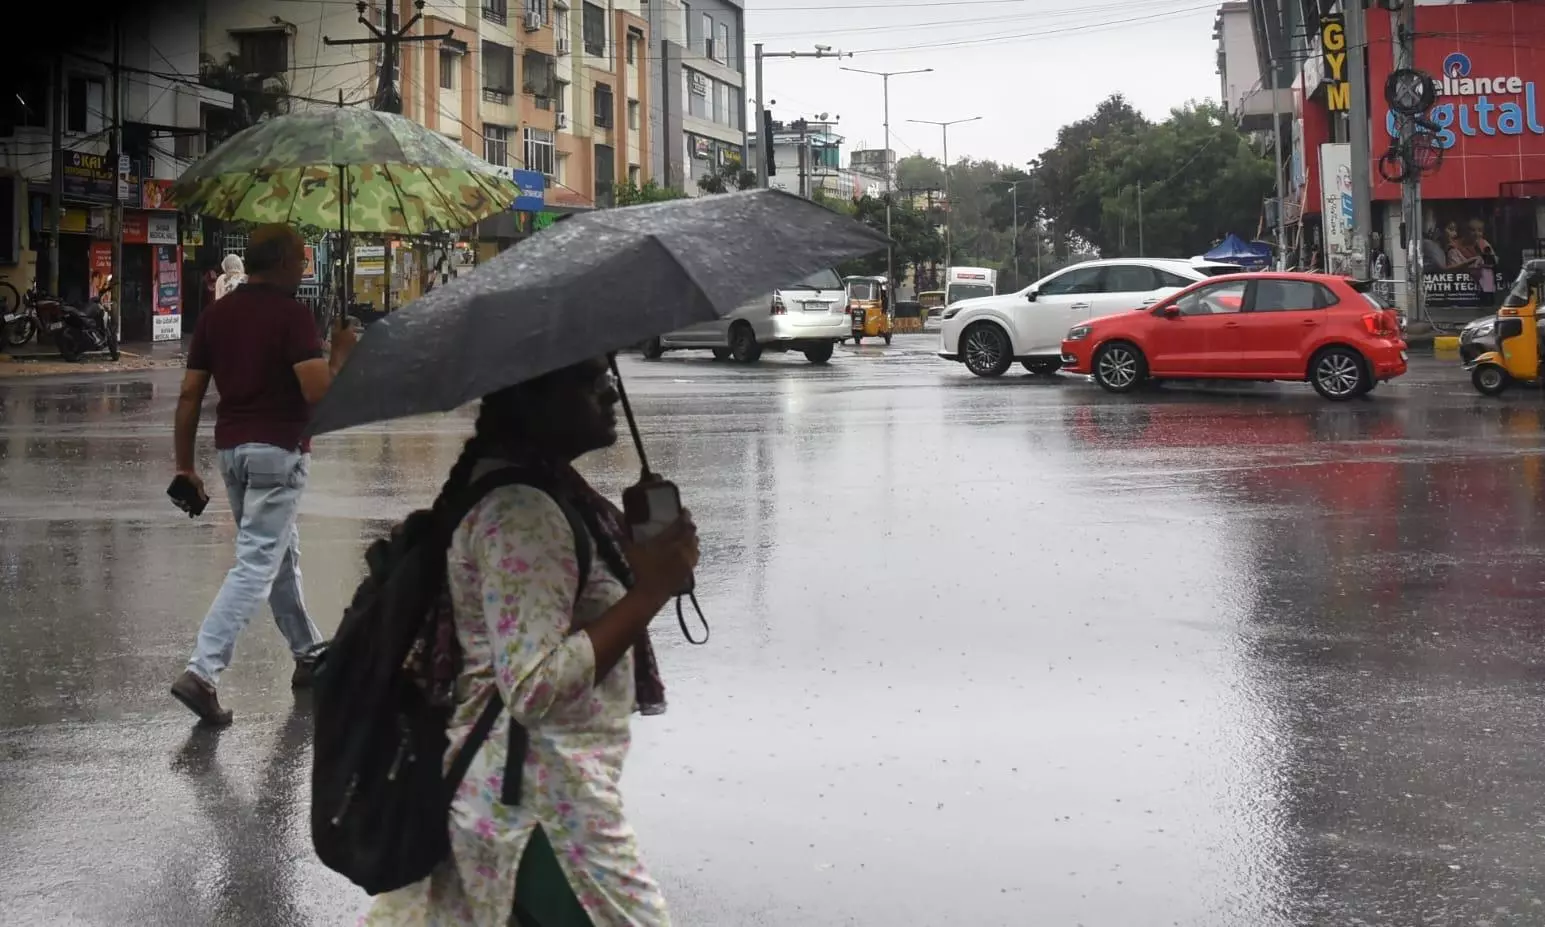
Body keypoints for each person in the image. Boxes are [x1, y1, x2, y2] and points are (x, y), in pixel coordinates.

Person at [365, 357, 699, 927]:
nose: (610, 395)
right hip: (540, 805)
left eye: (607, 379)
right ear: (534, 399)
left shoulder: (541, 485)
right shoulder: (523, 512)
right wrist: (650, 592)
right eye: (590, 381)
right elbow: (535, 683)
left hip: (509, 795)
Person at [169, 223, 358, 725]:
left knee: (279, 551)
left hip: (232, 453)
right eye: (300, 258)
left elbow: (190, 395)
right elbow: (318, 393)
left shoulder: (216, 316)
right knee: (256, 561)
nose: (304, 267)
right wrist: (340, 354)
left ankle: (308, 652)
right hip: (279, 450)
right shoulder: (292, 316)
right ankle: (203, 671)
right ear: (278, 263)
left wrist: (184, 464)